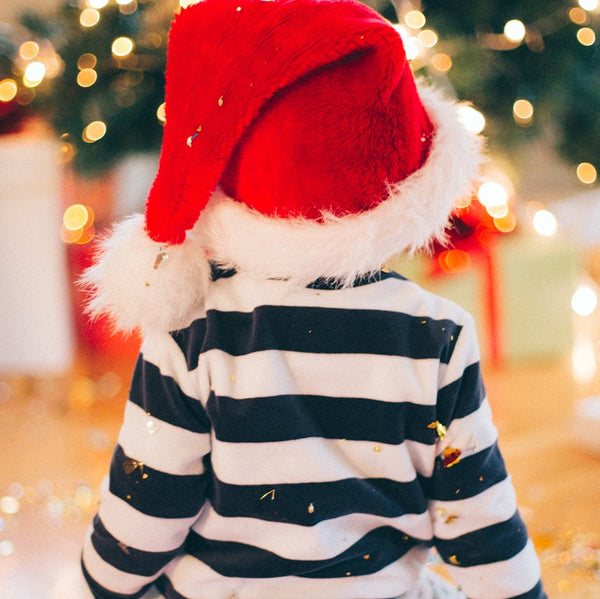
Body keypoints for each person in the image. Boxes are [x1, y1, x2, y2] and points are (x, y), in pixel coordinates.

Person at [80, 0, 547, 597]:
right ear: (405, 185)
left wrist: (100, 582)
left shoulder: (190, 327)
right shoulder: (437, 332)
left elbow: (148, 503)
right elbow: (475, 511)